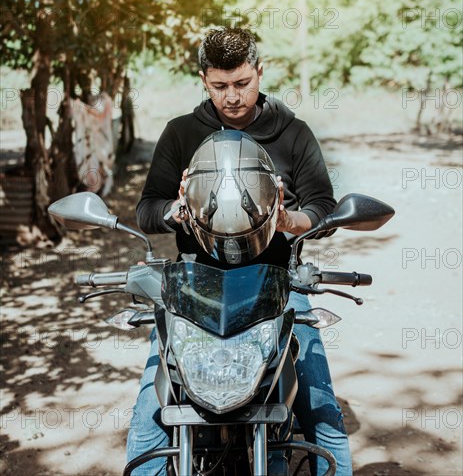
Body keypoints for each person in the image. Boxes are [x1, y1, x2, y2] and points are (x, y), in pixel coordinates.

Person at [128, 27, 352, 475]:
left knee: (323, 415)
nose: (232, 97)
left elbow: (323, 208)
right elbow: (146, 209)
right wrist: (176, 209)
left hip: (277, 282)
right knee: (147, 421)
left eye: (242, 83)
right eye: (219, 86)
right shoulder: (181, 133)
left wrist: (289, 220)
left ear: (259, 73)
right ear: (203, 81)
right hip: (194, 286)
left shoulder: (293, 133)